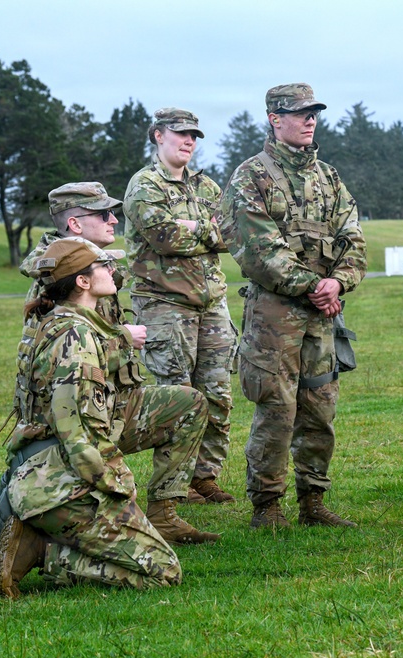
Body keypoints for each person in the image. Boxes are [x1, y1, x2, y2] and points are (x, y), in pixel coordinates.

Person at [0, 183, 209, 563]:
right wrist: (121, 337)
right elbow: (58, 362)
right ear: (75, 223)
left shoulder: (90, 263)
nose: (114, 219)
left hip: (109, 405)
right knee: (10, 535)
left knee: (189, 404)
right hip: (67, 425)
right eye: (103, 214)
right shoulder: (55, 277)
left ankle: (164, 514)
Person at [0, 238, 217, 599]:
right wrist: (118, 487)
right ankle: (40, 553)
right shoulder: (76, 338)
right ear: (83, 281)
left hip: (47, 477)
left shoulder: (62, 323)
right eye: (103, 267)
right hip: (63, 488)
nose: (112, 272)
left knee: (150, 556)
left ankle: (37, 537)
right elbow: (77, 433)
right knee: (164, 573)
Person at [219, 83, 366, 528]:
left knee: (320, 407)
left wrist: (339, 282)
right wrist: (313, 286)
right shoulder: (250, 177)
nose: (310, 120)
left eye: (313, 112)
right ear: (274, 119)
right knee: (277, 409)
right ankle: (266, 506)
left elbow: (353, 238)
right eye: (299, 113)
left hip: (322, 315)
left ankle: (313, 501)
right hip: (274, 316)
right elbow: (258, 249)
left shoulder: (329, 178)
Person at [124, 108, 237, 506]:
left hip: (211, 304)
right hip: (164, 305)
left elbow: (232, 232)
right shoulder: (144, 185)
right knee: (178, 396)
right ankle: (173, 489)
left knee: (218, 394)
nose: (189, 141)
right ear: (158, 136)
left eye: (194, 136)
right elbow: (164, 238)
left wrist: (197, 228)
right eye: (181, 134)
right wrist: (204, 231)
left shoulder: (205, 186)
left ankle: (205, 478)